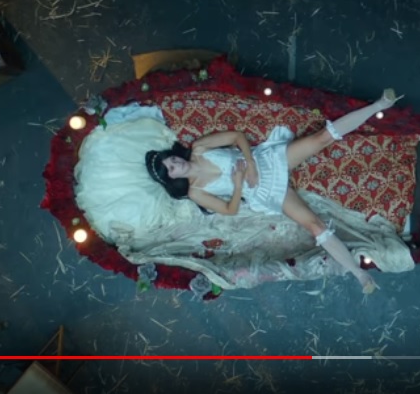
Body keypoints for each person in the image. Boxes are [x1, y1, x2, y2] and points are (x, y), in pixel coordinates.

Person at [145, 89, 404, 293]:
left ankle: (379, 105)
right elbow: (230, 210)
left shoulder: (199, 148)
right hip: (261, 191)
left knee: (321, 138)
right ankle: (360, 274)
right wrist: (238, 183)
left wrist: (251, 165)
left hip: (266, 161)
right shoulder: (195, 192)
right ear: (173, 179)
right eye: (171, 169)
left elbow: (237, 137)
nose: (176, 164)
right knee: (315, 226)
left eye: (172, 160)